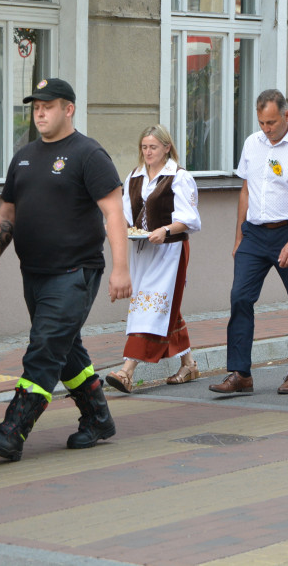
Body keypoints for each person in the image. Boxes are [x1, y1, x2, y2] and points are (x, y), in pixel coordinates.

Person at [0, 77, 131, 462]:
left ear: (69, 109)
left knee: (44, 348)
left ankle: (13, 431)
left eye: (48, 105)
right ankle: (97, 418)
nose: (40, 112)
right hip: (35, 272)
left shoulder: (88, 154)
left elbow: (113, 214)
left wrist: (120, 270)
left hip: (75, 272)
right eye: (35, 107)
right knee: (65, 347)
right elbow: (8, 213)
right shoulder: (25, 156)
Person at [210, 90, 288, 396]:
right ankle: (240, 373)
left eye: (271, 122)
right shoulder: (252, 143)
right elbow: (245, 190)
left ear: (287, 115)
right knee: (240, 297)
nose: (266, 128)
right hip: (254, 234)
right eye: (261, 122)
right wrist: (239, 235)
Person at [106, 125, 201, 393]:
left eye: (153, 147)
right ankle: (189, 363)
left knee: (149, 307)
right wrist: (117, 227)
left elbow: (190, 219)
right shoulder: (134, 176)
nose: (148, 152)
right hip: (143, 251)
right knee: (161, 304)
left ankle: (127, 371)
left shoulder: (179, 178)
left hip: (170, 250)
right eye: (144, 147)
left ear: (166, 148)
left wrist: (166, 230)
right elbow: (125, 214)